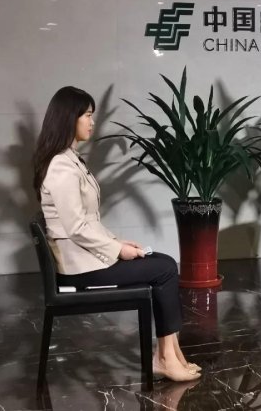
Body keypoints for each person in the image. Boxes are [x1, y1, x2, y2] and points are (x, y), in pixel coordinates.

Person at [33, 86, 201, 382]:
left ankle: (171, 354)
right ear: (69, 117)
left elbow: (89, 220)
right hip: (79, 269)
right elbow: (76, 227)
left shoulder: (70, 159)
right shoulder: (61, 166)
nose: (92, 122)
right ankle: (165, 357)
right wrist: (118, 251)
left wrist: (118, 241)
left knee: (163, 262)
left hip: (86, 259)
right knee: (164, 270)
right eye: (87, 115)